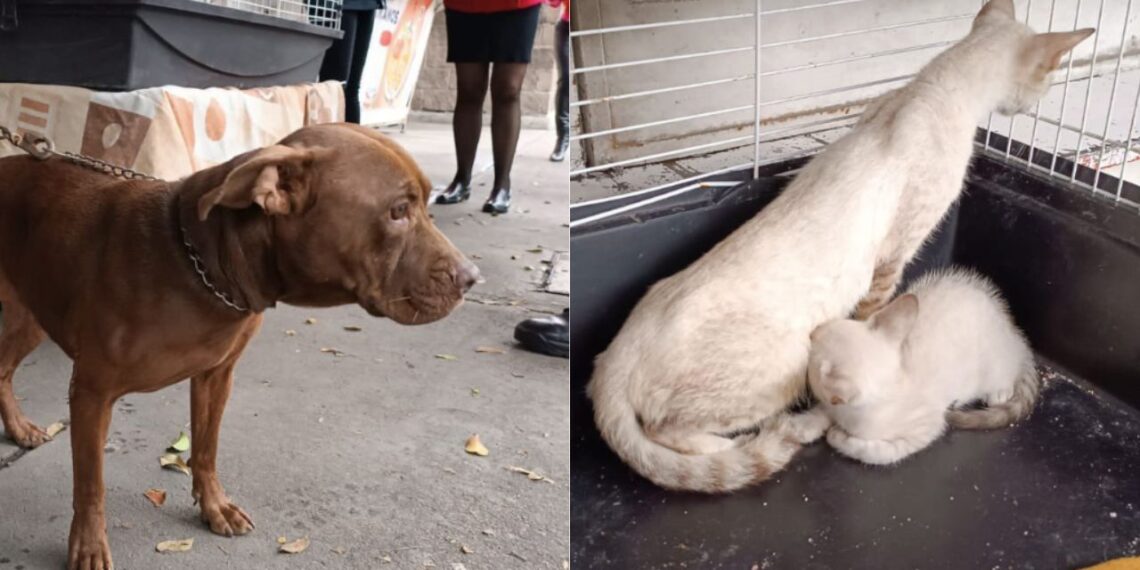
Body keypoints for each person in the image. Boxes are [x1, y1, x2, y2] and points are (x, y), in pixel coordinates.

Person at [434, 0, 543, 214]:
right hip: (466, 6)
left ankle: (502, 184)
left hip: (518, 7)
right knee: (469, 89)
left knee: (508, 90)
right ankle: (462, 179)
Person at [318, 0, 386, 124]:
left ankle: (353, 142)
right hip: (337, 5)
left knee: (352, 89)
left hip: (368, 4)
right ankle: (329, 140)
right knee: (336, 87)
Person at [548, 0, 570, 162]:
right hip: (565, 27)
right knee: (565, 80)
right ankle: (562, 139)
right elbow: (554, 3)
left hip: (591, 26)